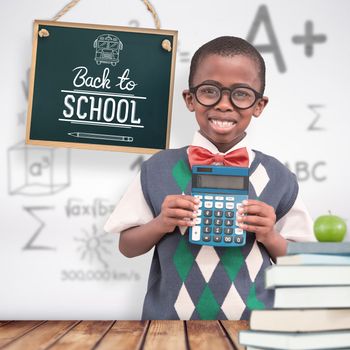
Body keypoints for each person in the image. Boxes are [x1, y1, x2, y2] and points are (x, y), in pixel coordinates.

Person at [104, 36, 315, 320]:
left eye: (240, 93)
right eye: (209, 91)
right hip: (168, 327)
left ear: (259, 105)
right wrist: (161, 223)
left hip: (256, 327)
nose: (224, 105)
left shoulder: (278, 176)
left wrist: (270, 236)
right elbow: (127, 247)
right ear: (190, 99)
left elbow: (304, 261)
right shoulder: (157, 168)